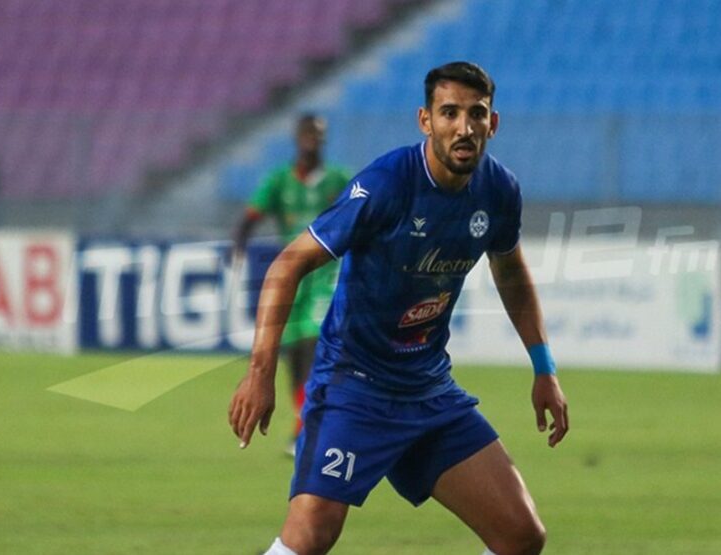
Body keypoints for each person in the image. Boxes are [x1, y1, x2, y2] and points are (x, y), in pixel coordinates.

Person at [229, 62, 569, 555]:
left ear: (493, 123)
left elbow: (512, 275)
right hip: (354, 387)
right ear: (425, 120)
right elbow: (287, 265)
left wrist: (544, 368)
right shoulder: (387, 184)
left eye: (476, 113)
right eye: (449, 112)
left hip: (427, 391)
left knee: (521, 536)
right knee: (312, 535)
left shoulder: (498, 191)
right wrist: (260, 373)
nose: (464, 127)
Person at [231, 114, 350, 455]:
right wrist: (239, 248)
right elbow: (250, 218)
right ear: (297, 138)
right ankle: (304, 422)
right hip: (293, 277)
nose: (314, 139)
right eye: (309, 133)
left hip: (326, 274)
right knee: (295, 354)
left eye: (319, 134)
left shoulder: (339, 179)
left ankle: (306, 430)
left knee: (314, 343)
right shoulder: (279, 180)